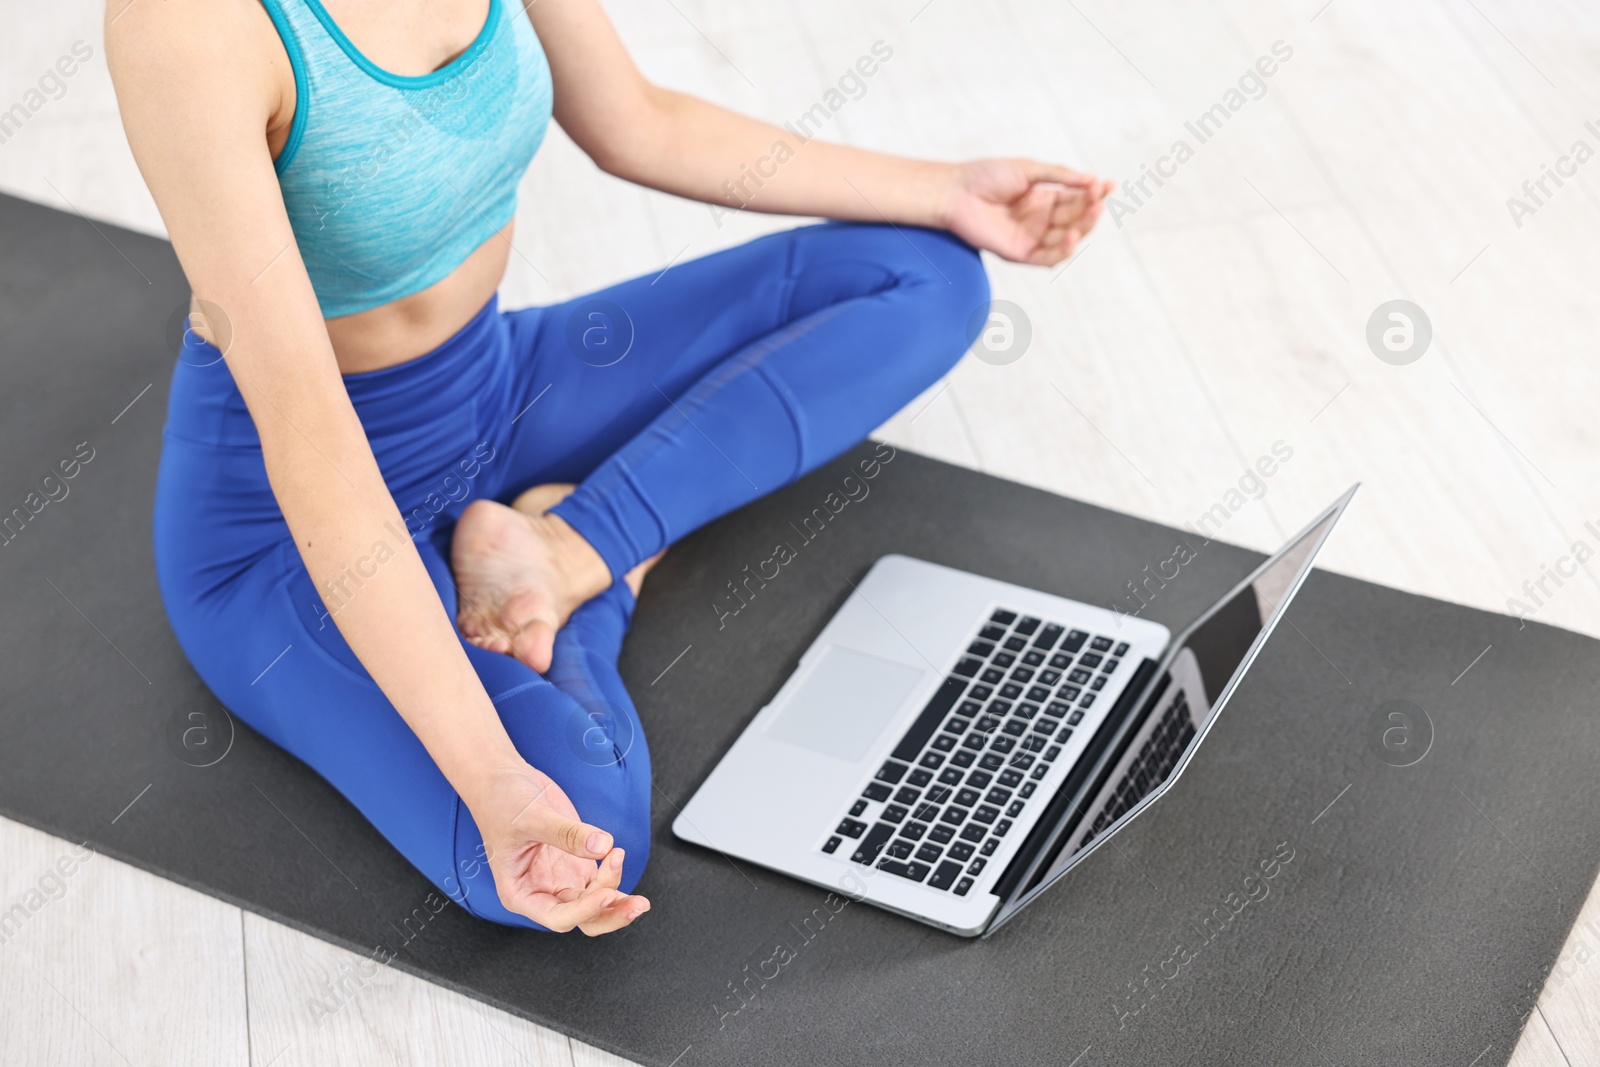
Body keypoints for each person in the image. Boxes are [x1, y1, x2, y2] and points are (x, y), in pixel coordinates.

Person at [106, 0, 1111, 935]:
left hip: (499, 389)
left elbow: (637, 122)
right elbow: (313, 447)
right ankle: (608, 562)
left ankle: (567, 545)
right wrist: (496, 781)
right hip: (289, 522)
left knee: (926, 275)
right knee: (574, 838)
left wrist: (945, 189)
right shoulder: (188, 26)